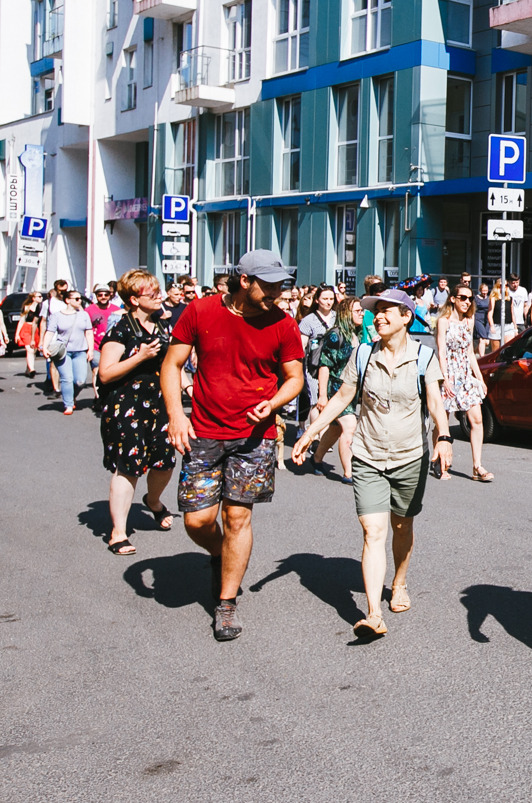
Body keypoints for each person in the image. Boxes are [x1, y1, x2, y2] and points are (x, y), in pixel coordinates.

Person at [161, 250, 305, 643]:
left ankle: (226, 603)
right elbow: (171, 364)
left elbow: (294, 377)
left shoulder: (283, 324)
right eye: (269, 285)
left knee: (238, 518)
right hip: (204, 432)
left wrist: (273, 403)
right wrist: (176, 415)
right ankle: (220, 554)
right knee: (197, 521)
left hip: (254, 437)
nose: (277, 293)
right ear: (245, 281)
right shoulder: (200, 311)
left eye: (280, 285)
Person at [294, 288, 453, 637]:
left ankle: (399, 582)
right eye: (376, 310)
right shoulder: (363, 353)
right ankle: (373, 614)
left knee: (402, 527)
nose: (378, 316)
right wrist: (310, 434)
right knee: (373, 531)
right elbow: (342, 398)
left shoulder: (423, 357)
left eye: (386, 311)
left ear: (406, 317)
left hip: (410, 456)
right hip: (367, 455)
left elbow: (435, 403)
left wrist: (443, 437)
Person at [96, 269, 178, 556]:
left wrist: (188, 386)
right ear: (134, 299)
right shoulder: (121, 329)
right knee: (129, 467)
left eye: (158, 291)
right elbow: (105, 373)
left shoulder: (163, 326)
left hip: (160, 403)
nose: (158, 296)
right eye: (151, 293)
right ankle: (118, 533)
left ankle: (152, 501)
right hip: (127, 406)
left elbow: (171, 364)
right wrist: (140, 357)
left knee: (165, 462)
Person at [306, 295, 367, 482]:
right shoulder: (335, 335)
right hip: (335, 389)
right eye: (357, 311)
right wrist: (322, 395)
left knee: (334, 429)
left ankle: (317, 459)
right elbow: (325, 365)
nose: (362, 314)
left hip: (351, 390)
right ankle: (349, 473)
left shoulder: (357, 333)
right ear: (346, 313)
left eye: (362, 311)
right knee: (349, 425)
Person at [436, 284, 493, 481]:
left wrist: (480, 379)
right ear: (453, 299)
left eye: (470, 299)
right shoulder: (443, 321)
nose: (467, 302)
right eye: (463, 297)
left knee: (477, 420)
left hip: (466, 375)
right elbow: (441, 352)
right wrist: (445, 378)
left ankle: (477, 466)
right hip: (449, 374)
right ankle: (440, 461)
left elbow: (470, 353)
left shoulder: (469, 321)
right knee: (442, 421)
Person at [43, 289, 95, 416]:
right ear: (67, 300)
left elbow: (89, 333)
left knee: (80, 381)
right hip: (63, 352)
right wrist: (44, 347)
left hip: (80, 351)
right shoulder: (56, 316)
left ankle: (71, 396)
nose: (79, 301)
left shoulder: (84, 315)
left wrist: (90, 349)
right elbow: (50, 332)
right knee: (67, 378)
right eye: (76, 299)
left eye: (80, 298)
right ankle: (68, 404)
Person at [15, 293, 43, 377]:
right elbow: (21, 321)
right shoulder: (27, 307)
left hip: (36, 330)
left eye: (41, 296)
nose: (41, 298)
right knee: (29, 349)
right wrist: (17, 334)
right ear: (33, 298)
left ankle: (28, 368)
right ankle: (32, 369)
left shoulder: (42, 307)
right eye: (39, 296)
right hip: (27, 328)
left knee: (33, 350)